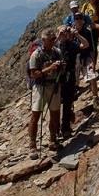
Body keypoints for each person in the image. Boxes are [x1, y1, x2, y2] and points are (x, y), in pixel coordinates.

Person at [28, 28, 63, 159]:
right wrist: (50, 68)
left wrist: (61, 66)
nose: (54, 41)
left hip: (54, 84)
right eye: (51, 39)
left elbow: (61, 67)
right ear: (43, 40)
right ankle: (32, 145)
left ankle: (52, 140)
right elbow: (33, 74)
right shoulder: (36, 55)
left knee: (55, 114)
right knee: (35, 115)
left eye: (54, 39)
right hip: (40, 86)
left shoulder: (57, 52)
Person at [56, 24, 89, 139]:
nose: (65, 34)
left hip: (69, 78)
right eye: (63, 32)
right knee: (56, 106)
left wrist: (76, 34)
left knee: (67, 104)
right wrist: (58, 35)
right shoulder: (56, 46)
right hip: (58, 79)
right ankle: (56, 131)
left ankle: (65, 128)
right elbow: (47, 48)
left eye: (66, 32)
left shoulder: (72, 45)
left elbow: (86, 44)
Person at [73, 12, 99, 110]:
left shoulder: (87, 31)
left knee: (92, 77)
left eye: (80, 18)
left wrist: (93, 61)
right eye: (76, 18)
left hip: (86, 57)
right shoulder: (71, 33)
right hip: (75, 60)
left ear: (83, 19)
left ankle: (95, 99)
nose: (78, 20)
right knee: (72, 82)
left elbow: (92, 48)